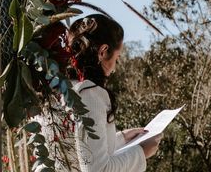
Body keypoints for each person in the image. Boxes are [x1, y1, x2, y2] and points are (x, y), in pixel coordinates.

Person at [44, 14, 162, 171]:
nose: (115, 67)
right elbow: (98, 169)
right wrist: (142, 153)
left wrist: (122, 138)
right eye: (117, 57)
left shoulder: (56, 89)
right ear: (103, 51)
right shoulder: (89, 94)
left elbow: (78, 147)